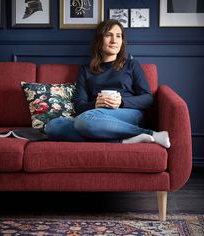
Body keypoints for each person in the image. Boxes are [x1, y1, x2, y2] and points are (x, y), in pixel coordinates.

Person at [45, 19, 170, 148]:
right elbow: (79, 105)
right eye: (108, 35)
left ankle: (151, 134)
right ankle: (125, 140)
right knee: (53, 126)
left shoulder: (131, 65)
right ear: (100, 40)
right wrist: (95, 104)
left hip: (128, 113)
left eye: (118, 36)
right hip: (95, 116)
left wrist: (121, 102)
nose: (114, 41)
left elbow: (147, 98)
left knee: (84, 121)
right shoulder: (85, 70)